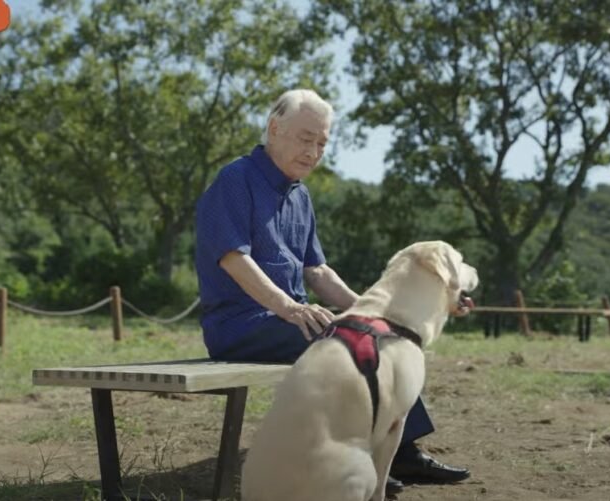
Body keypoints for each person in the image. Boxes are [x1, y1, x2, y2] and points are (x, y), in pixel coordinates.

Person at [194, 89, 470, 493]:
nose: (314, 151)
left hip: (293, 320)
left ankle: (402, 453)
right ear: (274, 128)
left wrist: (372, 312)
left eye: (322, 142)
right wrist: (289, 307)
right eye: (306, 138)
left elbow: (317, 271)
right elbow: (233, 259)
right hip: (239, 325)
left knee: (382, 336)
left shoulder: (300, 194)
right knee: (347, 344)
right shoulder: (235, 179)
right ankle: (358, 457)